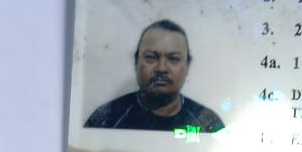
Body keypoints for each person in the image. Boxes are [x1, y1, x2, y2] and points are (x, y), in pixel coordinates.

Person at [84, 19, 224, 132]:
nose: (161, 68)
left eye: (173, 58)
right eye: (151, 57)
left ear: (188, 65)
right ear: (136, 62)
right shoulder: (107, 119)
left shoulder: (207, 123)